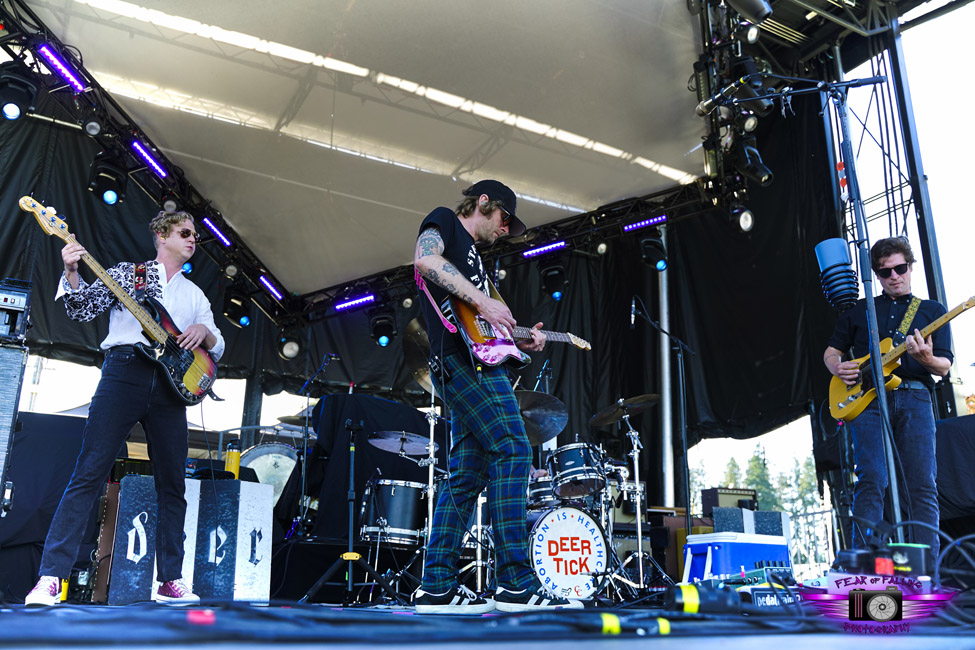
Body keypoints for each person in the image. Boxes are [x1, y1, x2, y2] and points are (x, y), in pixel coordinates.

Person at [25, 210, 225, 606]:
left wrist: (205, 331)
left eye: (196, 236)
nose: (193, 240)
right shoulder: (128, 274)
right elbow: (81, 309)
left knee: (173, 484)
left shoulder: (195, 295)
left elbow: (216, 346)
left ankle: (170, 580)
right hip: (125, 372)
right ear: (162, 234)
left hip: (171, 388)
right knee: (90, 471)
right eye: (185, 232)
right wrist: (72, 271)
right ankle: (51, 577)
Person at [412, 180, 582, 613]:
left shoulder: (477, 265)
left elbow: (484, 326)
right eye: (505, 219)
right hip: (463, 363)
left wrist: (517, 341)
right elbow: (425, 259)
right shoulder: (445, 222)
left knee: (466, 476)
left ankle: (436, 587)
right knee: (513, 448)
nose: (505, 230)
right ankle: (515, 583)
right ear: (483, 203)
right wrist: (485, 303)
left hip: (475, 362)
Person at [824, 236, 951, 562]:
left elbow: (944, 366)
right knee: (871, 479)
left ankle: (927, 571)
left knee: (922, 485)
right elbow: (831, 351)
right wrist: (837, 367)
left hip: (916, 398)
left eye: (900, 268)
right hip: (867, 401)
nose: (894, 276)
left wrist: (926, 359)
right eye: (885, 272)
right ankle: (863, 567)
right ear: (876, 276)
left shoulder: (932, 311)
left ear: (910, 267)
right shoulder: (859, 310)